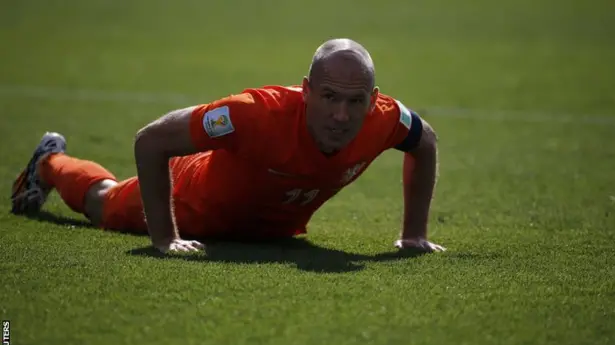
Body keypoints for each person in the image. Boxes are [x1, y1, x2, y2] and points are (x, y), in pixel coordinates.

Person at [11, 38, 446, 254]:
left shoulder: (385, 118)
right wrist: (166, 240)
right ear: (307, 90)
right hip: (191, 203)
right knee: (103, 202)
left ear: (372, 100)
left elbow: (424, 142)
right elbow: (151, 140)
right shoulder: (254, 113)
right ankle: (49, 161)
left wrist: (413, 236)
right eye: (329, 98)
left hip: (269, 233)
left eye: (355, 102)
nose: (341, 116)